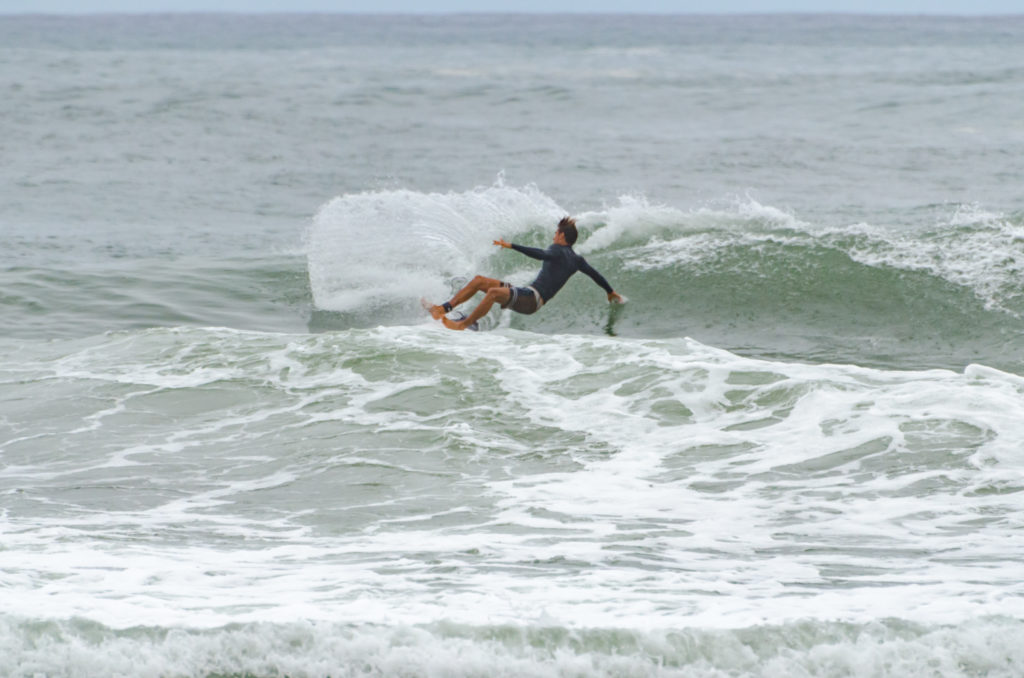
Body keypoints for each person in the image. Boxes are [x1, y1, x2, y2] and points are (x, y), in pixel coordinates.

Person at [425, 216, 625, 330]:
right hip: (528, 296)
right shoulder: (576, 260)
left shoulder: (557, 250)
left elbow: (540, 254)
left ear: (562, 235)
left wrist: (511, 245)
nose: (554, 235)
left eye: (556, 233)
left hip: (531, 299)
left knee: (493, 292)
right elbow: (595, 275)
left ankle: (463, 325)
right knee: (479, 281)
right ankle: (442, 309)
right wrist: (610, 291)